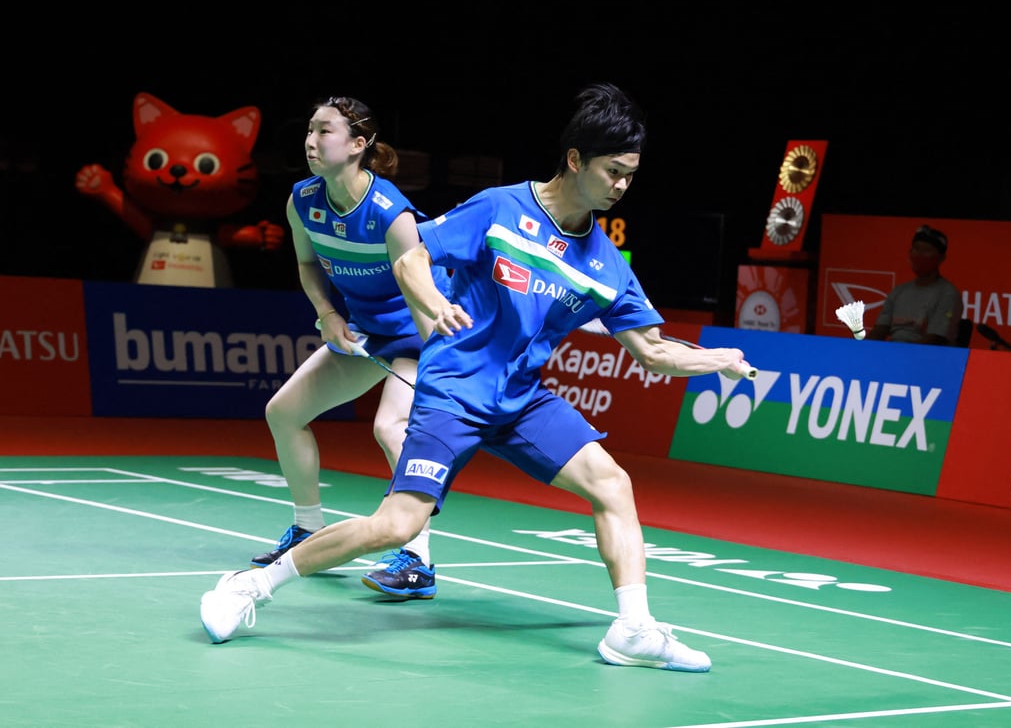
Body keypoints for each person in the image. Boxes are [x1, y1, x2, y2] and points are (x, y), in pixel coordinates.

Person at [200, 83, 751, 673]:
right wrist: (432, 300)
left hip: (521, 400)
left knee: (612, 485)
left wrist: (718, 361)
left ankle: (634, 630)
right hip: (454, 391)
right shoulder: (500, 208)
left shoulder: (605, 265)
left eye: (630, 176)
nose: (621, 186)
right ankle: (247, 588)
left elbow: (650, 350)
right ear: (574, 160)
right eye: (612, 171)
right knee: (396, 525)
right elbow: (412, 256)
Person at [252, 95, 451, 599]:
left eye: (324, 131)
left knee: (392, 426)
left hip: (420, 328)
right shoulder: (303, 200)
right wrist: (329, 314)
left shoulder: (391, 215)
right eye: (310, 130)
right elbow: (306, 265)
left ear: (359, 144)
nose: (310, 140)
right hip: (365, 331)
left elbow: (427, 297)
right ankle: (307, 529)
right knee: (284, 412)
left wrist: (438, 374)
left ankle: (417, 559)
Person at [865, 225, 964, 345]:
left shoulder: (948, 294)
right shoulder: (899, 291)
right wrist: (863, 350)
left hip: (927, 359)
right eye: (916, 249)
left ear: (941, 258)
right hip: (893, 355)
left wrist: (900, 356)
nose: (919, 255)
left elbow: (935, 340)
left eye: (926, 251)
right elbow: (880, 329)